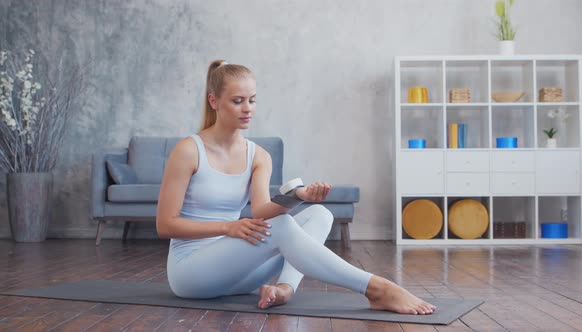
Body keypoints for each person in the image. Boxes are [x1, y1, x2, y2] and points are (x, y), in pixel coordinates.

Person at [156, 59, 436, 315]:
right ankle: (377, 289)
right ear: (214, 101)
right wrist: (227, 227)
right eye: (237, 101)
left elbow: (261, 210)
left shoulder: (258, 156)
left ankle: (284, 289)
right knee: (282, 227)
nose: (247, 109)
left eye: (252, 101)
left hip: (238, 276)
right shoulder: (189, 150)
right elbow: (165, 225)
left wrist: (298, 197)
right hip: (192, 273)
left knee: (319, 215)